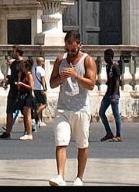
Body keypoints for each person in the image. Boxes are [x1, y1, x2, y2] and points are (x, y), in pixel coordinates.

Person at [48, 29, 98, 186]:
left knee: (82, 144)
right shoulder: (59, 60)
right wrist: (61, 78)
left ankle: (79, 177)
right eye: (67, 50)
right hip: (63, 107)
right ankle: (60, 176)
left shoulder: (87, 60)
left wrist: (76, 76)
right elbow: (52, 83)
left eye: (73, 50)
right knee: (61, 141)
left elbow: (91, 84)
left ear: (80, 45)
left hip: (81, 108)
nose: (70, 53)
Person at [0, 45, 35, 139]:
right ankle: (7, 132)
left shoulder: (24, 63)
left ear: (18, 52)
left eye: (13, 51)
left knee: (25, 113)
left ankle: (28, 132)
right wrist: (6, 81)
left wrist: (20, 83)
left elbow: (26, 76)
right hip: (13, 90)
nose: (11, 53)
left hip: (21, 91)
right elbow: (11, 76)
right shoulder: (13, 64)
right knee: (9, 111)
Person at [98, 47, 123, 142]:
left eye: (106, 56)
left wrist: (114, 95)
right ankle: (109, 133)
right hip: (108, 93)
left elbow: (117, 82)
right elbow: (110, 81)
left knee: (116, 114)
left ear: (110, 57)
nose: (104, 58)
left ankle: (118, 135)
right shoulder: (108, 67)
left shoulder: (116, 67)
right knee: (101, 112)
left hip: (114, 94)